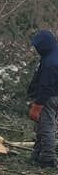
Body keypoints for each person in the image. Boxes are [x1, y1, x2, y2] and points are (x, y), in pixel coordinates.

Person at [27, 29, 58, 167]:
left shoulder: (50, 61)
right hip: (52, 96)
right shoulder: (51, 55)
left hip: (49, 98)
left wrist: (37, 106)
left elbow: (46, 86)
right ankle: (37, 153)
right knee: (42, 126)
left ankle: (47, 159)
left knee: (46, 127)